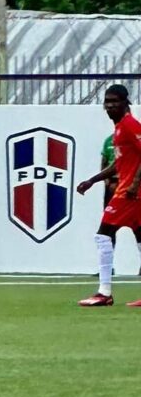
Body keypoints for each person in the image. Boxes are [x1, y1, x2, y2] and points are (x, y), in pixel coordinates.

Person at [75, 85, 141, 307]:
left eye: (115, 101)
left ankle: (104, 293)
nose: (110, 105)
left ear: (125, 102)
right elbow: (118, 164)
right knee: (140, 236)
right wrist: (92, 180)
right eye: (107, 101)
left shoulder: (130, 125)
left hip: (129, 193)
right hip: (131, 192)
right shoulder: (120, 129)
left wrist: (134, 184)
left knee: (103, 234)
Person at [101, 133, 117, 208]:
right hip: (111, 179)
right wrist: (106, 179)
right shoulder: (108, 140)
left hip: (126, 179)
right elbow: (104, 162)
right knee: (109, 207)